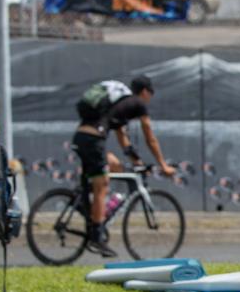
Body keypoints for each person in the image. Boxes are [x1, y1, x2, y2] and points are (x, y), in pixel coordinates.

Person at [72, 75, 175, 257]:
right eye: (150, 94)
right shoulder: (137, 103)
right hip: (94, 140)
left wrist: (136, 161)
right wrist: (163, 165)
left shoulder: (119, 104)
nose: (149, 99)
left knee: (115, 165)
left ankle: (83, 203)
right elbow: (149, 136)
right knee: (102, 183)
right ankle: (97, 237)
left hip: (81, 137)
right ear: (145, 92)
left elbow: (122, 137)